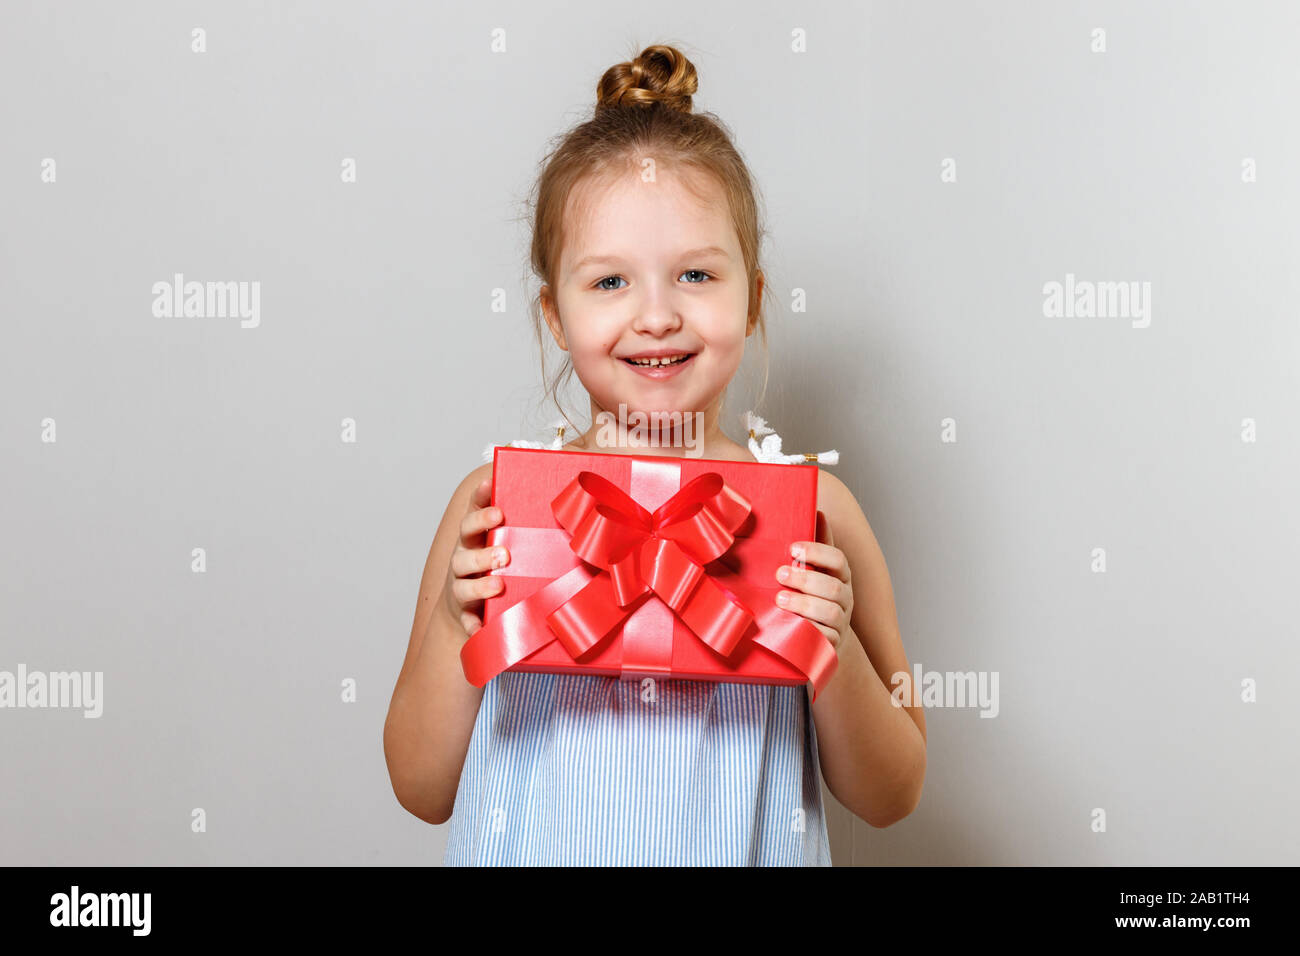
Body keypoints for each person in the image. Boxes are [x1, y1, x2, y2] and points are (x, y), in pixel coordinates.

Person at [383, 43, 926, 865]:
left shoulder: (819, 513)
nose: (657, 316)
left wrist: (833, 647)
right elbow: (420, 787)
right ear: (555, 317)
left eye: (697, 275)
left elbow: (894, 793)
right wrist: (454, 627)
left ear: (752, 300)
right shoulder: (491, 508)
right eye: (610, 283)